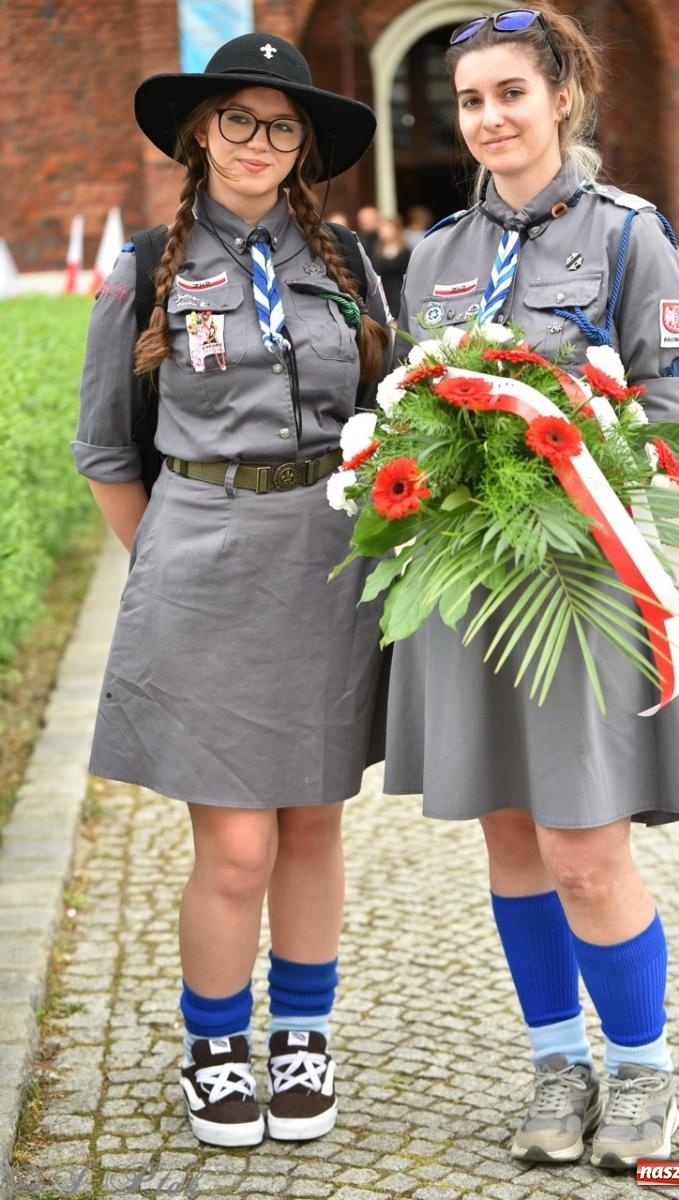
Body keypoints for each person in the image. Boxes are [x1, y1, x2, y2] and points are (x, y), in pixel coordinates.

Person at [382, 6, 679, 1173]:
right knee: (513, 841)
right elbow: (402, 418)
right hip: (470, 594)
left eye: (510, 93)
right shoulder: (432, 258)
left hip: (578, 582)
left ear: (561, 94)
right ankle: (554, 1059)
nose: (488, 119)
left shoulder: (629, 238)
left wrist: (564, 463)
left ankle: (643, 1074)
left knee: (588, 849)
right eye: (470, 100)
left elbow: (674, 414)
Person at [73, 32, 390, 1150]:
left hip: (330, 560)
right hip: (205, 559)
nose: (261, 141)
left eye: (284, 124)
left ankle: (302, 1037)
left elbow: (390, 413)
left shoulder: (347, 262)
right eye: (241, 119)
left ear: (304, 145)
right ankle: (216, 1049)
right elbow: (109, 454)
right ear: (201, 132)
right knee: (238, 845)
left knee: (311, 825)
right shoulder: (144, 264)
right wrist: (173, 561)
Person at [371, 214, 412, 320]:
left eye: (386, 228)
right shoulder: (376, 250)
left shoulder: (404, 251)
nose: (382, 231)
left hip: (399, 294)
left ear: (395, 229)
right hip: (384, 294)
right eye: (381, 228)